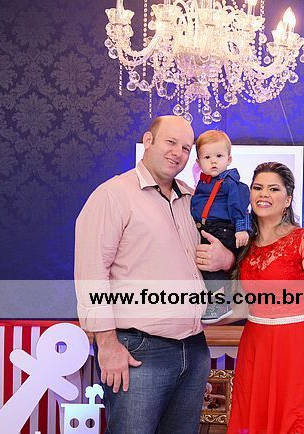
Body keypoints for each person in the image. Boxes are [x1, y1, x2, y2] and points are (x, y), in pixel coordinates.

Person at [74, 115, 235, 434]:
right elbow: (91, 273)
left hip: (194, 349)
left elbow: (217, 255)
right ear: (148, 141)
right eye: (170, 142)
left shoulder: (192, 199)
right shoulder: (113, 195)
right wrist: (107, 344)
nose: (178, 152)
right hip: (138, 350)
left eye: (186, 148)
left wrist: (226, 258)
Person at [226, 162, 304, 434]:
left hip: (298, 350)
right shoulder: (246, 247)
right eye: (257, 187)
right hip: (257, 349)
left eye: (273, 189)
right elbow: (245, 308)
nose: (263, 194)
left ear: (288, 199)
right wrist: (197, 319)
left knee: (298, 422)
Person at [190, 130, 251, 323]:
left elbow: (238, 206)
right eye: (207, 157)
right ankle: (212, 301)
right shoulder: (203, 183)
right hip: (208, 227)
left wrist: (241, 229)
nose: (213, 161)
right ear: (198, 162)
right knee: (204, 264)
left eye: (219, 156)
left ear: (229, 159)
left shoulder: (230, 182)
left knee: (211, 264)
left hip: (223, 229)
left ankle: (220, 303)